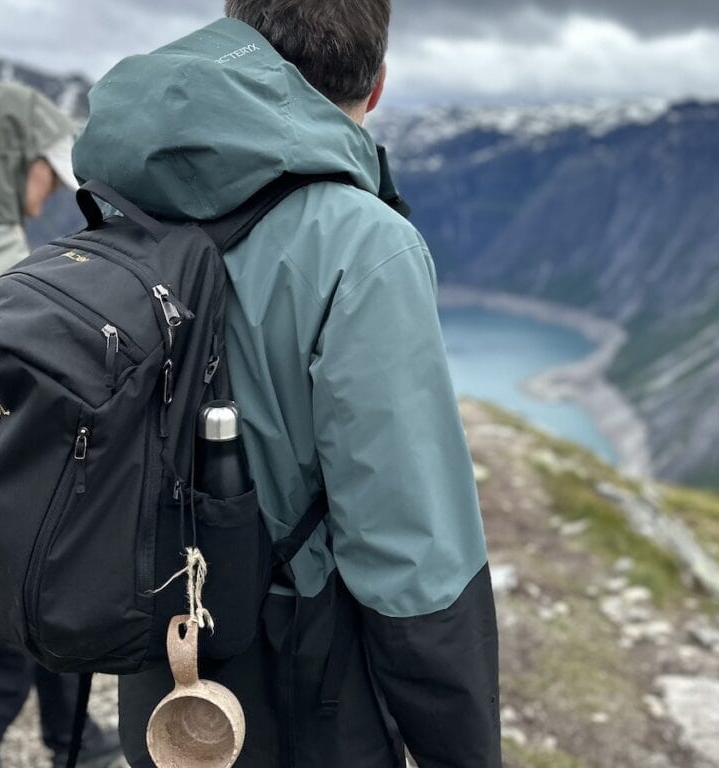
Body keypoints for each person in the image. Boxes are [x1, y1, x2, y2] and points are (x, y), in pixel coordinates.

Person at [72, 1, 502, 766]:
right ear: (378, 84)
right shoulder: (362, 243)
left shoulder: (128, 195)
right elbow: (411, 556)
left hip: (162, 670)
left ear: (240, 39)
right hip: (302, 691)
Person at [0, 80, 123, 768]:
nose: (49, 180)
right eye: (42, 163)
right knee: (14, 623)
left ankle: (77, 737)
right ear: (11, 159)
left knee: (38, 595)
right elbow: (20, 366)